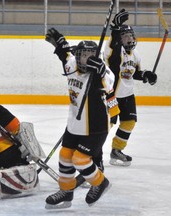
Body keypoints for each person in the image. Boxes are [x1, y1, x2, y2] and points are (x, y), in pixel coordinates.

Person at [44, 28, 114, 209]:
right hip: (74, 123)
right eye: (83, 55)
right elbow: (65, 55)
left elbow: (109, 84)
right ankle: (66, 193)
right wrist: (59, 42)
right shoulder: (71, 64)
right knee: (65, 157)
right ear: (78, 55)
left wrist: (99, 73)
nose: (87, 59)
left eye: (92, 55)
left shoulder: (103, 71)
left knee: (80, 160)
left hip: (95, 126)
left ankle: (100, 183)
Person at [103, 9, 157, 166]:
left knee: (129, 122)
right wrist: (115, 27)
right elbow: (113, 56)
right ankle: (93, 152)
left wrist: (146, 75)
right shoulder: (113, 50)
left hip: (127, 96)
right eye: (125, 37)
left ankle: (116, 150)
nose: (129, 39)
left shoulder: (136, 54)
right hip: (111, 95)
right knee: (106, 125)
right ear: (120, 39)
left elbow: (135, 73)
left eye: (130, 36)